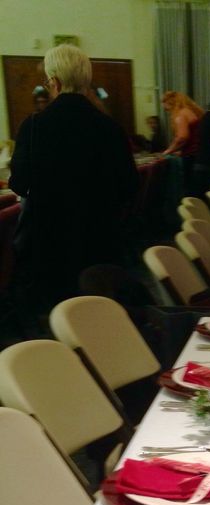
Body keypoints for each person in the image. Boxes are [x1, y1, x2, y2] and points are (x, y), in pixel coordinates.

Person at [8, 43, 139, 326]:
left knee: (63, 316)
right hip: (102, 240)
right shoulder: (110, 128)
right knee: (100, 317)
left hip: (51, 244)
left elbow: (19, 183)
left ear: (54, 81)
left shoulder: (33, 127)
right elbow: (130, 186)